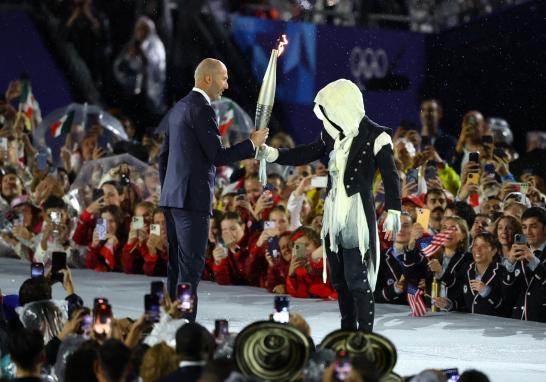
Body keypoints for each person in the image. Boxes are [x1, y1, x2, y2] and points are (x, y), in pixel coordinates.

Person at [258, 79, 401, 331]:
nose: (326, 118)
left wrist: (393, 209)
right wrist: (274, 154)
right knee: (340, 278)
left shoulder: (377, 136)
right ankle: (347, 328)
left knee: (357, 277)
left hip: (357, 212)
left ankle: (365, 333)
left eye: (329, 110)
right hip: (333, 212)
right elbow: (306, 152)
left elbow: (391, 176)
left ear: (343, 107)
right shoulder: (331, 134)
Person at [158, 58, 268, 320]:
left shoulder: (179, 107)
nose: (227, 85)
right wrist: (251, 144)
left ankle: (171, 321)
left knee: (176, 266)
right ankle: (184, 324)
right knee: (191, 268)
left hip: (172, 199)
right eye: (224, 78)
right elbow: (217, 156)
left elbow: (164, 157)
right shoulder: (203, 109)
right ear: (208, 78)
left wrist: (167, 192)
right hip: (192, 201)